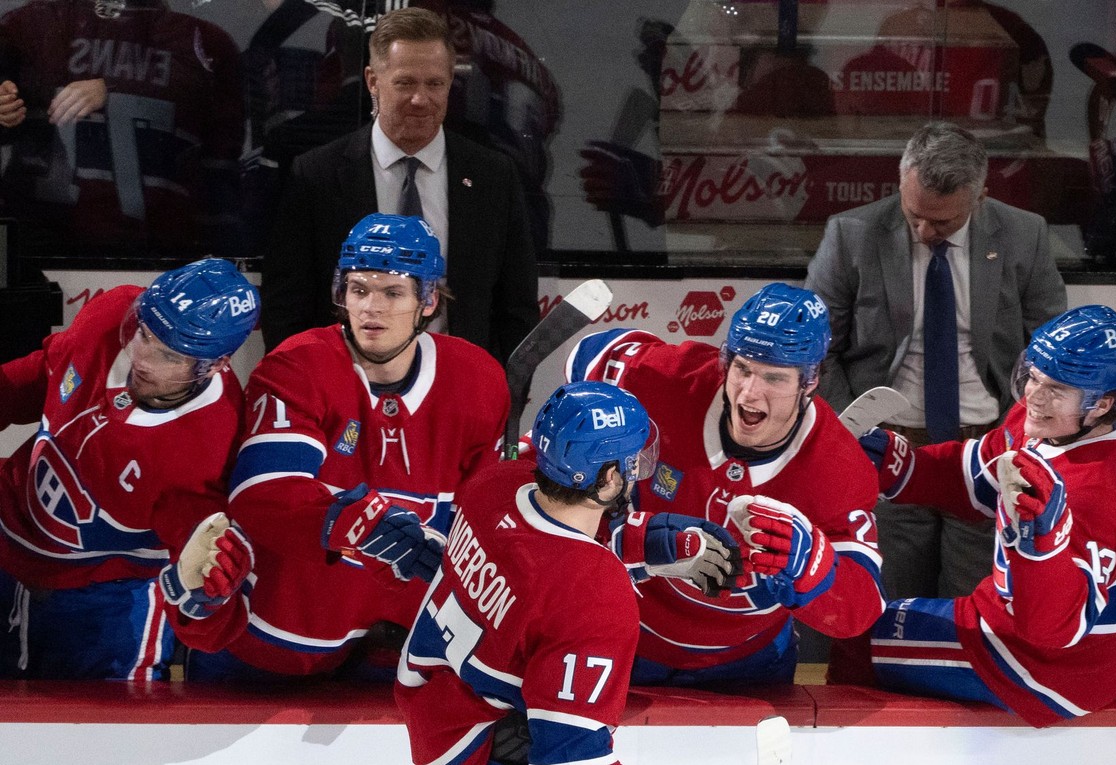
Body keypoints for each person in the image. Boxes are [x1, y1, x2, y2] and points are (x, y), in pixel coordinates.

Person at [172, 212, 509, 681]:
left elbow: (483, 515)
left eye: (392, 292)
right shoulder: (297, 367)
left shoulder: (478, 379)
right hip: (270, 644)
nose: (372, 307)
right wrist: (366, 528)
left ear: (428, 300)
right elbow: (264, 494)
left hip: (399, 654)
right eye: (359, 289)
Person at [858, 305, 1116, 727]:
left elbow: (1054, 630)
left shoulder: (1099, 492)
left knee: (859, 635)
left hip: (1057, 668)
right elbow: (981, 473)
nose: (1034, 398)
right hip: (1068, 640)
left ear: (1102, 405)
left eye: (1056, 388)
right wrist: (900, 465)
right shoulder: (1058, 422)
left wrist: (1043, 548)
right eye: (1033, 376)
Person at [564, 282, 884, 686]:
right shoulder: (673, 377)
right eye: (743, 369)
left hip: (747, 663)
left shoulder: (840, 467)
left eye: (774, 377)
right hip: (625, 636)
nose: (750, 393)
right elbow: (587, 356)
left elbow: (861, 609)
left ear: (809, 382)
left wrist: (813, 568)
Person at [804, 121, 1066, 609]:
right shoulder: (851, 234)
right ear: (901, 182)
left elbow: (1050, 345)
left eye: (942, 223)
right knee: (887, 605)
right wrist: (852, 433)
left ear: (980, 197)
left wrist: (1028, 433)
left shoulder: (1023, 234)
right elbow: (816, 350)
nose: (924, 231)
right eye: (913, 216)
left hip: (986, 453)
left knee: (970, 610)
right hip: (889, 452)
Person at [0, 258, 258, 679]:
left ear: (216, 364)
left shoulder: (209, 449)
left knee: (89, 739)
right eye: (144, 334)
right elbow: (42, 372)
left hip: (104, 605)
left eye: (169, 355)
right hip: (6, 539)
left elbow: (207, 628)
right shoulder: (110, 312)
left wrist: (205, 597)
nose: (143, 358)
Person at [261, 6, 538, 360]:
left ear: (451, 82)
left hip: (459, 398)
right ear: (373, 81)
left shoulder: (494, 176)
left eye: (435, 83)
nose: (421, 99)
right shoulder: (316, 175)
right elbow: (286, 306)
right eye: (405, 82)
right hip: (348, 392)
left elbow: (517, 309)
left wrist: (500, 395)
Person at [397, 381, 650, 765]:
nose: (638, 471)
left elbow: (540, 556)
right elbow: (571, 755)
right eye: (633, 461)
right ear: (611, 477)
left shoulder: (492, 485)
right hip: (481, 748)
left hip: (435, 709)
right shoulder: (595, 593)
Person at [0, 0, 245, 262]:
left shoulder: (207, 43)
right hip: (39, 241)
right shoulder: (27, 25)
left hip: (163, 248)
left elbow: (221, 161)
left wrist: (117, 89)